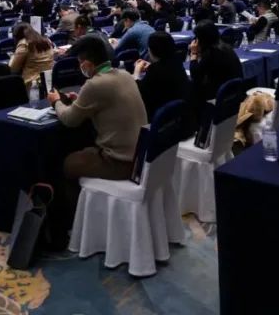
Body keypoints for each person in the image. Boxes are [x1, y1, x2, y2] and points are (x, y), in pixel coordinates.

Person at [49, 36, 148, 230]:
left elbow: (69, 119)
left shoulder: (95, 84)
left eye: (80, 62)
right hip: (140, 155)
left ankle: (75, 223)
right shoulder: (124, 75)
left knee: (66, 164)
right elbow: (103, 103)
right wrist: (79, 101)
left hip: (121, 163)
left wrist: (56, 102)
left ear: (87, 64)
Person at [135, 31, 192, 133]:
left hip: (158, 121)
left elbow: (140, 93)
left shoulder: (155, 71)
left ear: (152, 50)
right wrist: (152, 66)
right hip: (179, 118)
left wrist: (136, 73)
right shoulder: (177, 62)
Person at [187, 21, 240, 126]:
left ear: (202, 39)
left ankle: (195, 125)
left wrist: (193, 53)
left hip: (217, 95)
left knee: (190, 90)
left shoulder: (211, 52)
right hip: (233, 93)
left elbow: (196, 75)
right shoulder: (225, 46)